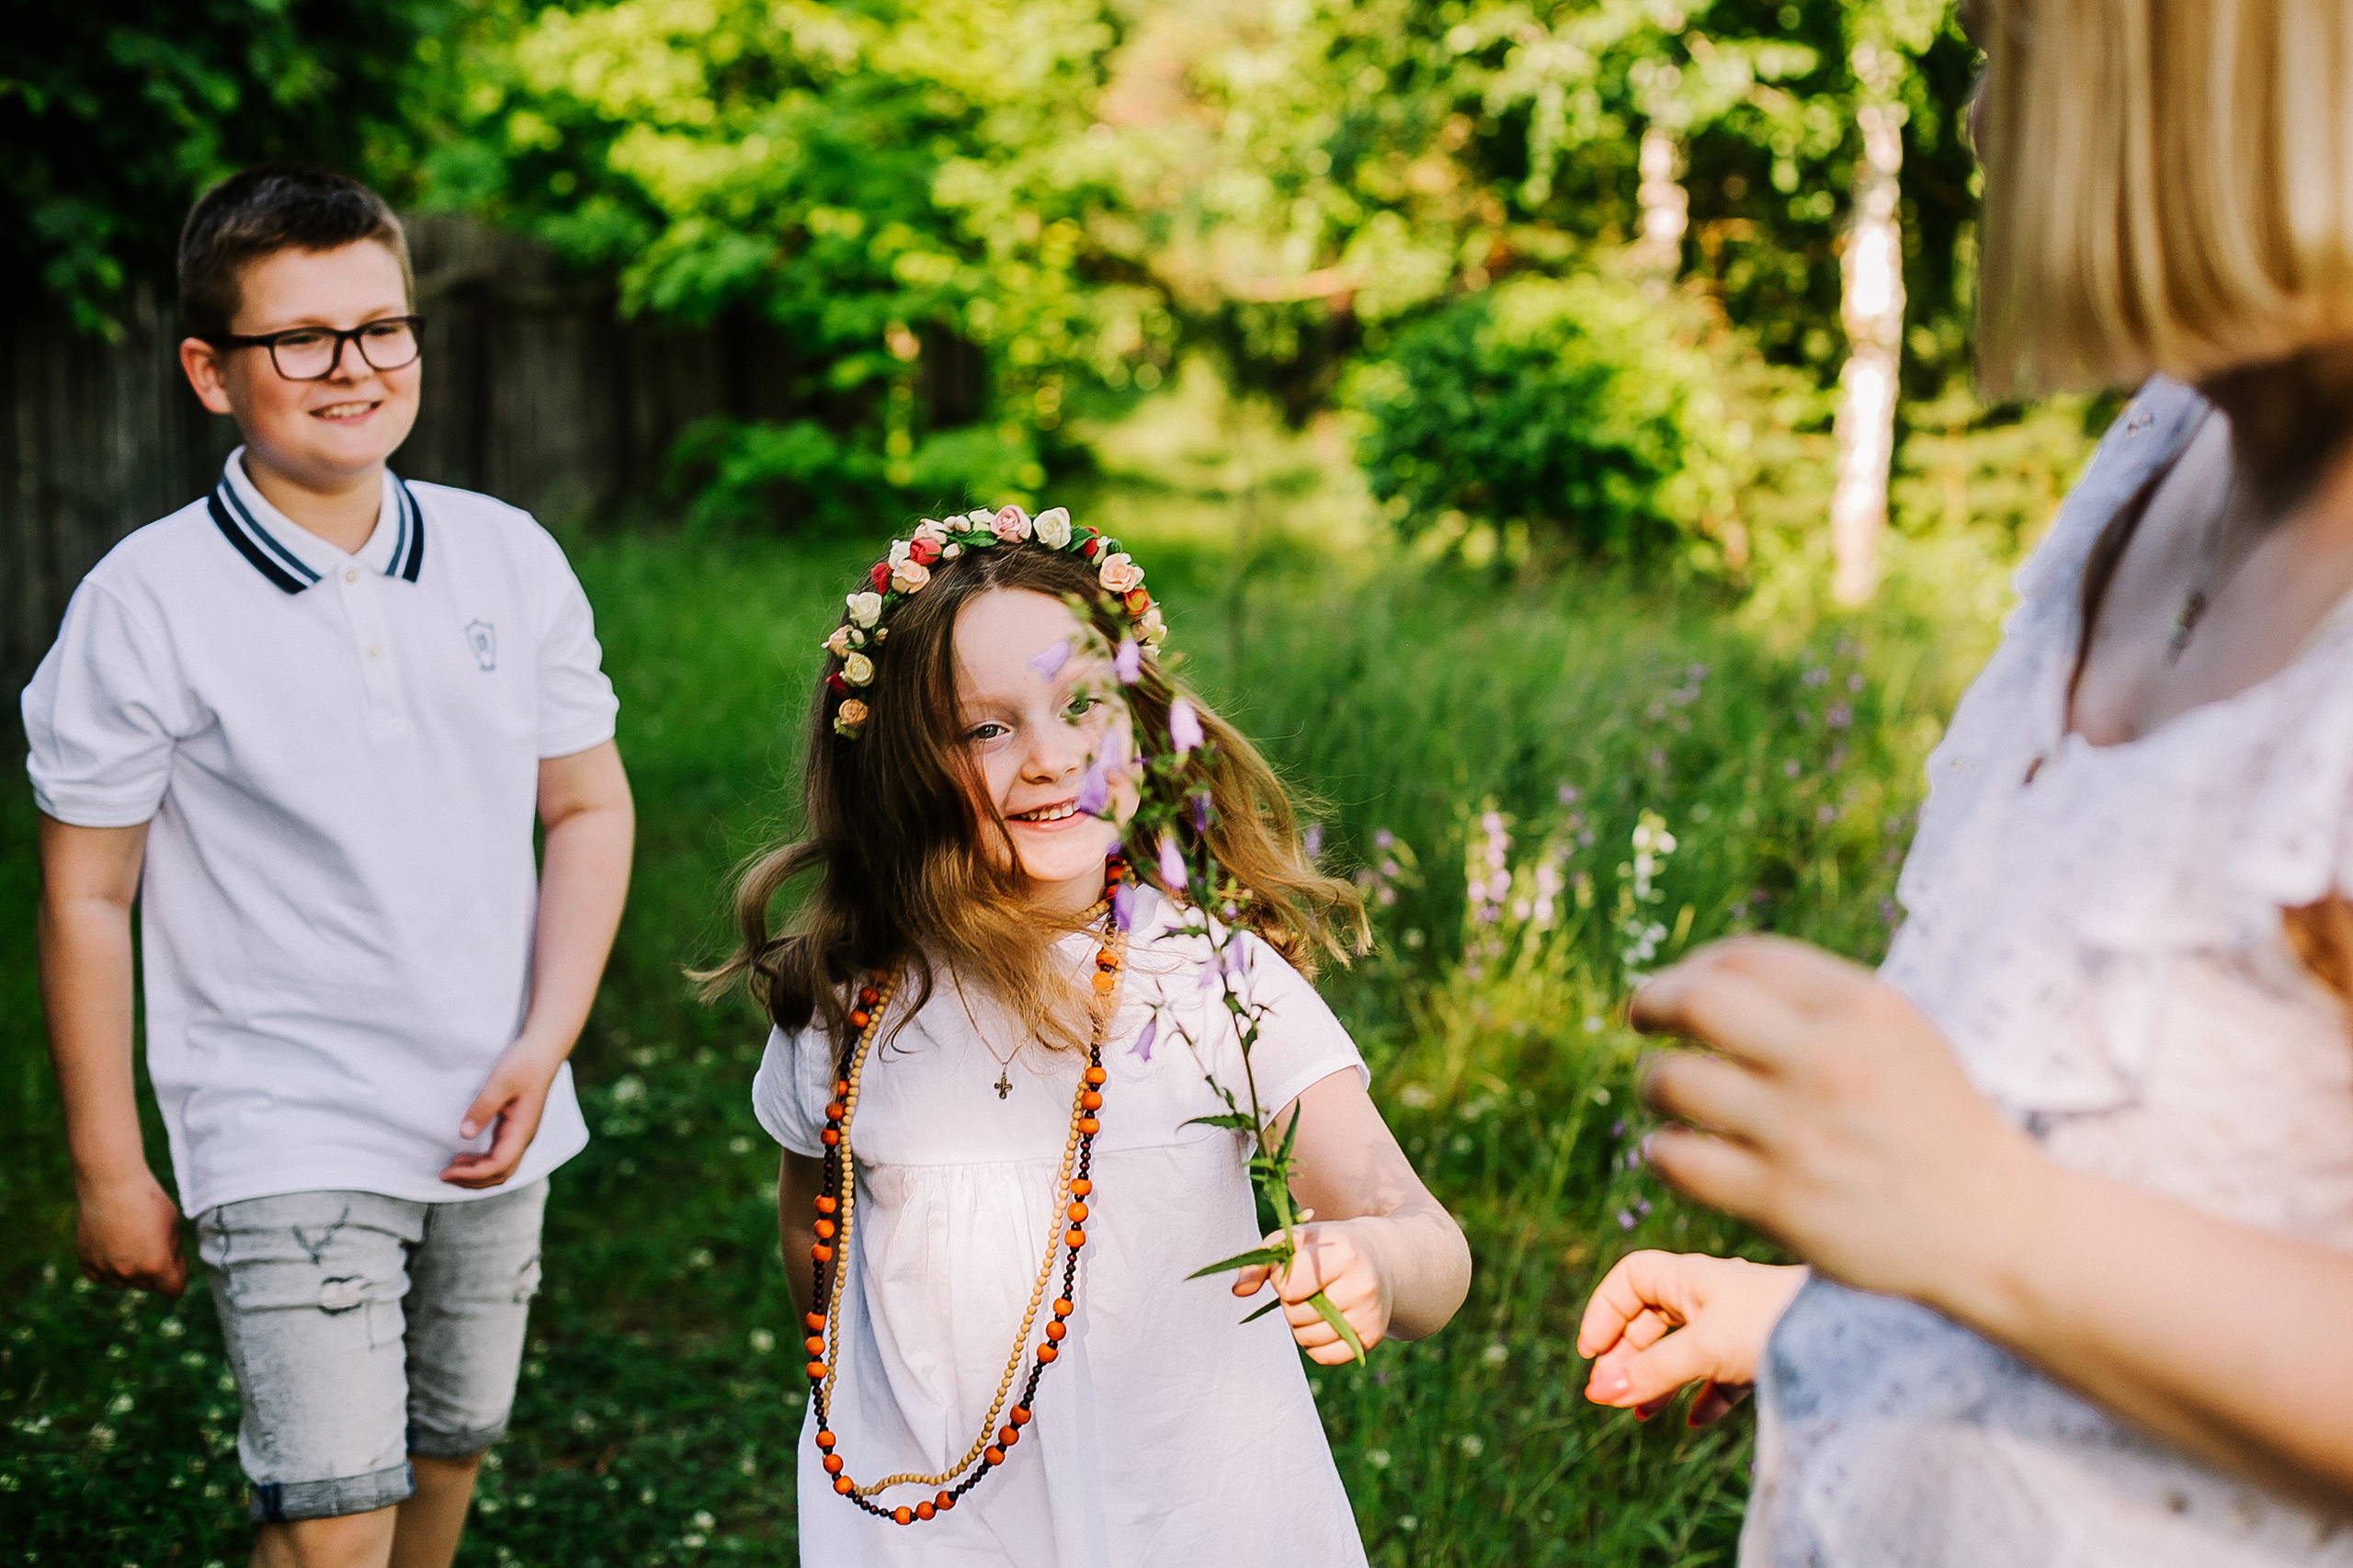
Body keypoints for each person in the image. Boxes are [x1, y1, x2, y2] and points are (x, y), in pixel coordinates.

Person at [1574, 2, 2353, 1562]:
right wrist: (1839, 1303)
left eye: (2019, 50)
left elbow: (2011, 1207)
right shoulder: (2155, 454)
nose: (1982, 123)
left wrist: (1983, 1223)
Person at [25, 165, 633, 1568]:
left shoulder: (508, 557)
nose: (352, 368)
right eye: (301, 338)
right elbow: (86, 892)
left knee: (444, 1450)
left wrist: (547, 1040)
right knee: (333, 1512)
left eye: (382, 327)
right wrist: (112, 1165)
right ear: (212, 371)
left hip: (494, 1108)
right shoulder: (146, 603)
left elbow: (588, 808)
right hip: (281, 1109)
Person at [708, 508, 1471, 1563]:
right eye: (986, 727)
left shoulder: (1208, 979)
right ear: (898, 766)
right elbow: (815, 1232)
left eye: (1082, 705)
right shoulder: (849, 1008)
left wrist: (1378, 1258)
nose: (1049, 757)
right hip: (936, 1520)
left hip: (1185, 1514)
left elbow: (1420, 1227)